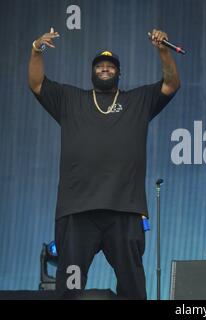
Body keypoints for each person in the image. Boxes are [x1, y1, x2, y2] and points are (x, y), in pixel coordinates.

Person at [28, 27, 180, 299]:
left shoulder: (138, 101)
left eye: (111, 66)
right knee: (70, 287)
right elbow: (37, 83)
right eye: (100, 65)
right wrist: (36, 49)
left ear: (119, 73)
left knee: (132, 285)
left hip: (125, 209)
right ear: (92, 72)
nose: (106, 69)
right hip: (77, 211)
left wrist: (163, 51)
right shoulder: (70, 99)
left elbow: (171, 85)